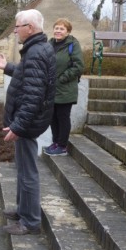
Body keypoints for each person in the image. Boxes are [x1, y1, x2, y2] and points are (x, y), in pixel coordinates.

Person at [0, 9, 56, 235]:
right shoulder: (36, 50)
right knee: (23, 170)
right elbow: (27, 75)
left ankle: (30, 221)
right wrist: (6, 66)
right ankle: (22, 210)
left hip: (27, 124)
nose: (15, 30)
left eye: (17, 26)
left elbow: (33, 96)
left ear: (30, 27)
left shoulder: (36, 52)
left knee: (28, 173)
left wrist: (18, 126)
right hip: (28, 121)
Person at [44, 18, 84, 156]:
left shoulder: (72, 44)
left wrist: (61, 79)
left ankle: (62, 145)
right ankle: (55, 143)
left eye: (62, 29)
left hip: (65, 88)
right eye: (56, 28)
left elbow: (78, 66)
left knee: (62, 116)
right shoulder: (49, 44)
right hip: (51, 89)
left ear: (67, 32)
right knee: (52, 117)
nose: (58, 31)